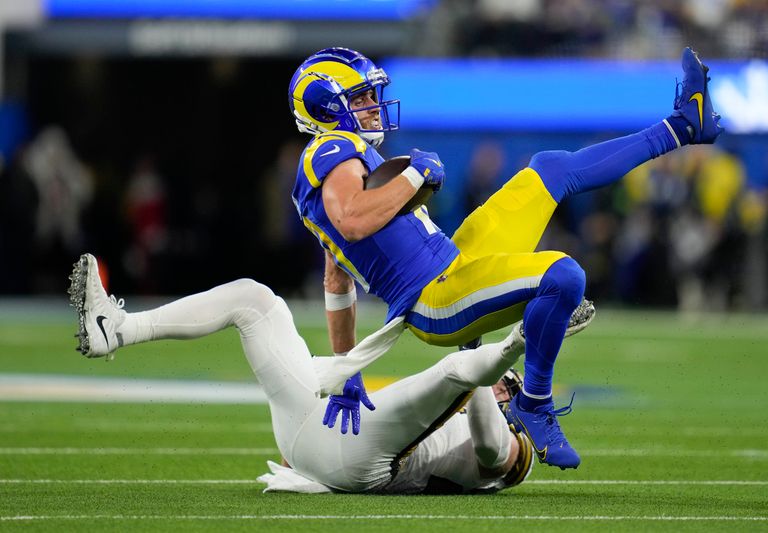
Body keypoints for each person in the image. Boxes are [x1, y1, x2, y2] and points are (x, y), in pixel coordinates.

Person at [287, 46, 723, 469]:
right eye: (359, 98)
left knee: (551, 169)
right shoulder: (329, 150)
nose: (371, 105)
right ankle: (534, 402)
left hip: (454, 262)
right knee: (563, 276)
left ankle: (682, 126)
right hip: (434, 297)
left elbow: (336, 282)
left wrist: (346, 372)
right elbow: (351, 221)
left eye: (369, 95)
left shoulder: (338, 162)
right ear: (324, 108)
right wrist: (416, 174)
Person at [69, 253, 533, 494]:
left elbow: (490, 441)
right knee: (254, 300)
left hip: (361, 464)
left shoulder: (506, 451)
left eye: (506, 382)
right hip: (319, 438)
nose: (501, 385)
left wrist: (509, 346)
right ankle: (117, 328)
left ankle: (524, 337)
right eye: (505, 378)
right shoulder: (471, 402)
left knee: (454, 367)